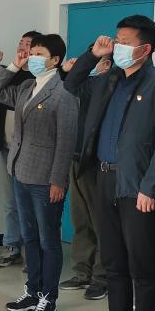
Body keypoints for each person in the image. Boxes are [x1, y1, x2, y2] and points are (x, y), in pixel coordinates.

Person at [66, 15, 155, 311]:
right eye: (117, 40)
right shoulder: (108, 79)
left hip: (138, 186)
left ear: (146, 48)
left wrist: (151, 187)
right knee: (113, 260)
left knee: (141, 266)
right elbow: (71, 83)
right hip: (104, 178)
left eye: (126, 42)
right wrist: (92, 54)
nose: (118, 47)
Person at [0, 34, 78, 311]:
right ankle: (33, 290)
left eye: (39, 53)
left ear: (55, 60)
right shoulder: (27, 86)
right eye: (31, 52)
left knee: (48, 239)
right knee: (29, 237)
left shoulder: (63, 93)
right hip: (20, 172)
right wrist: (14, 65)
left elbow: (66, 142)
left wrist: (58, 181)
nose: (32, 57)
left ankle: (48, 297)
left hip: (45, 178)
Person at [0, 31, 40, 269]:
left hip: (30, 152)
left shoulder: (39, 78)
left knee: (31, 204)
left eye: (28, 44)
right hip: (7, 148)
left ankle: (34, 253)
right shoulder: (12, 73)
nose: (23, 47)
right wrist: (2, 66)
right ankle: (12, 247)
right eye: (21, 43)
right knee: (11, 201)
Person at [60, 56, 111, 296]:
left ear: (107, 65)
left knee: (100, 222)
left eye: (95, 61)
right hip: (76, 157)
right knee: (80, 219)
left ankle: (102, 277)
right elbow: (70, 83)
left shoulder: (108, 86)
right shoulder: (87, 84)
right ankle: (82, 271)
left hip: (96, 162)